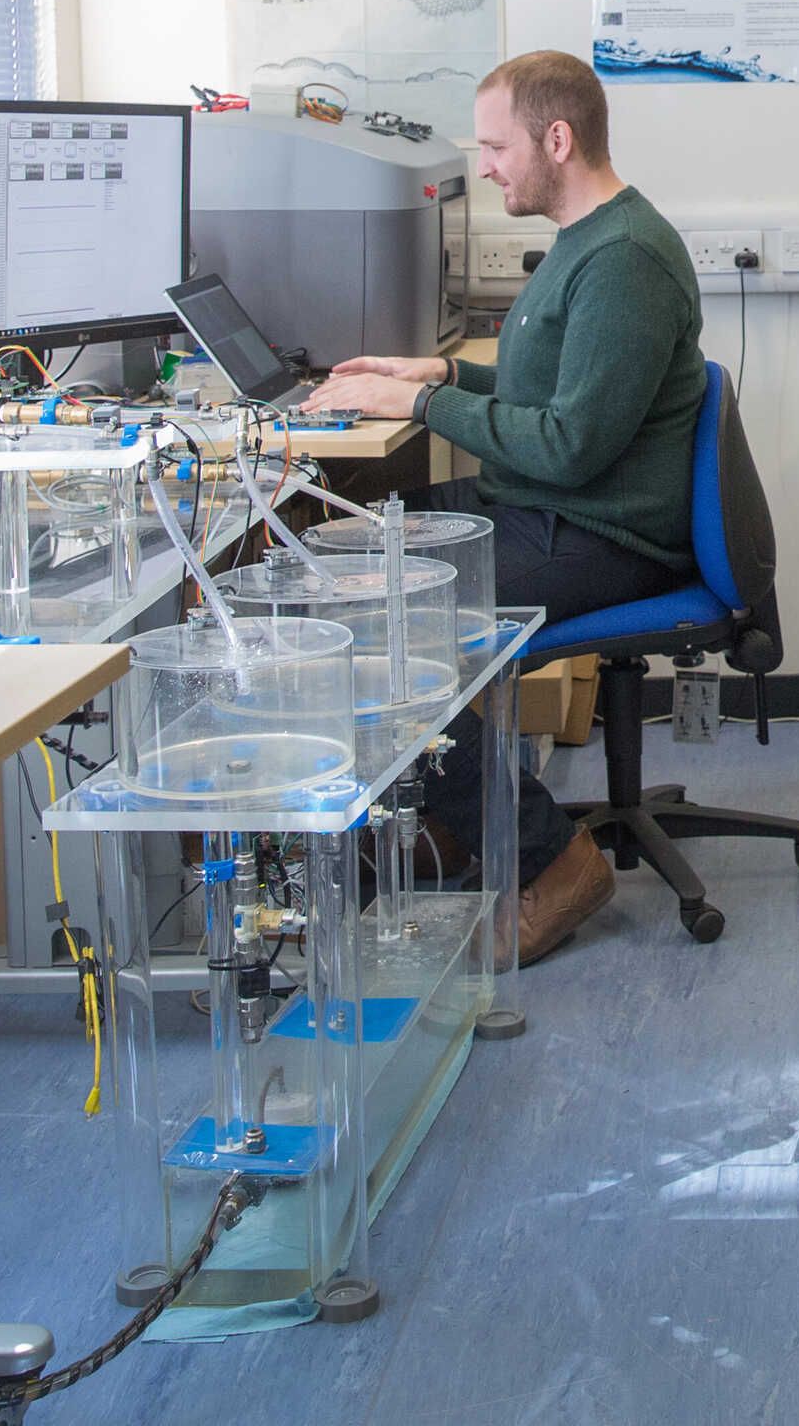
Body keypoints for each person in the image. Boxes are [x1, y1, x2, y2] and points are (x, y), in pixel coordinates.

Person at [308, 49, 710, 963]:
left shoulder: (626, 260)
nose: (484, 167)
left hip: (602, 531)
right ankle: (461, 820)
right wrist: (439, 372)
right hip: (543, 503)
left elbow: (569, 445)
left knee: (372, 628)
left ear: (556, 140)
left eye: (496, 147)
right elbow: (552, 393)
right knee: (327, 554)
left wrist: (418, 406)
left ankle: (556, 861)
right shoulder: (587, 242)